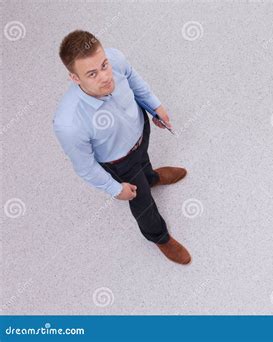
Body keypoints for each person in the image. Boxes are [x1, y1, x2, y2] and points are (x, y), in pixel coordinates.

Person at [53, 30, 191, 265]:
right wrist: (115, 189)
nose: (105, 77)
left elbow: (135, 82)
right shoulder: (68, 123)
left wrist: (154, 106)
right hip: (119, 163)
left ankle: (151, 177)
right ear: (75, 78)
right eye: (92, 74)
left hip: (140, 132)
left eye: (104, 65)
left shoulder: (114, 58)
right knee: (142, 203)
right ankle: (159, 236)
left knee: (145, 164)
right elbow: (85, 167)